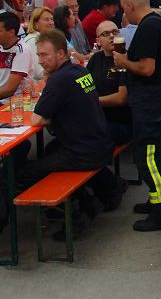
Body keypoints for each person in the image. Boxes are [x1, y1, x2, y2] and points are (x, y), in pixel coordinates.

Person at [19, 29, 126, 234]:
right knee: (50, 150)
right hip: (101, 143)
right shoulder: (79, 71)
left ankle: (76, 211)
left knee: (26, 173)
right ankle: (106, 187)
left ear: (61, 54)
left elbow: (37, 119)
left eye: (45, 55)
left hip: (83, 152)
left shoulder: (59, 80)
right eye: (39, 55)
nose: (41, 60)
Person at [115, 0, 161, 231]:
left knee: (149, 156)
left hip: (150, 101)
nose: (124, 14)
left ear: (130, 6)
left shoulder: (148, 28)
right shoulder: (160, 23)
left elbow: (146, 68)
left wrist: (122, 61)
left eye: (124, 9)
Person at [86, 19, 131, 145]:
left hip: (120, 121)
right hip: (97, 117)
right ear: (98, 41)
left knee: (83, 136)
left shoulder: (126, 59)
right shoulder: (95, 59)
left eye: (115, 32)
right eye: (106, 34)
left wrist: (92, 101)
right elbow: (83, 85)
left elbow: (121, 98)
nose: (111, 36)